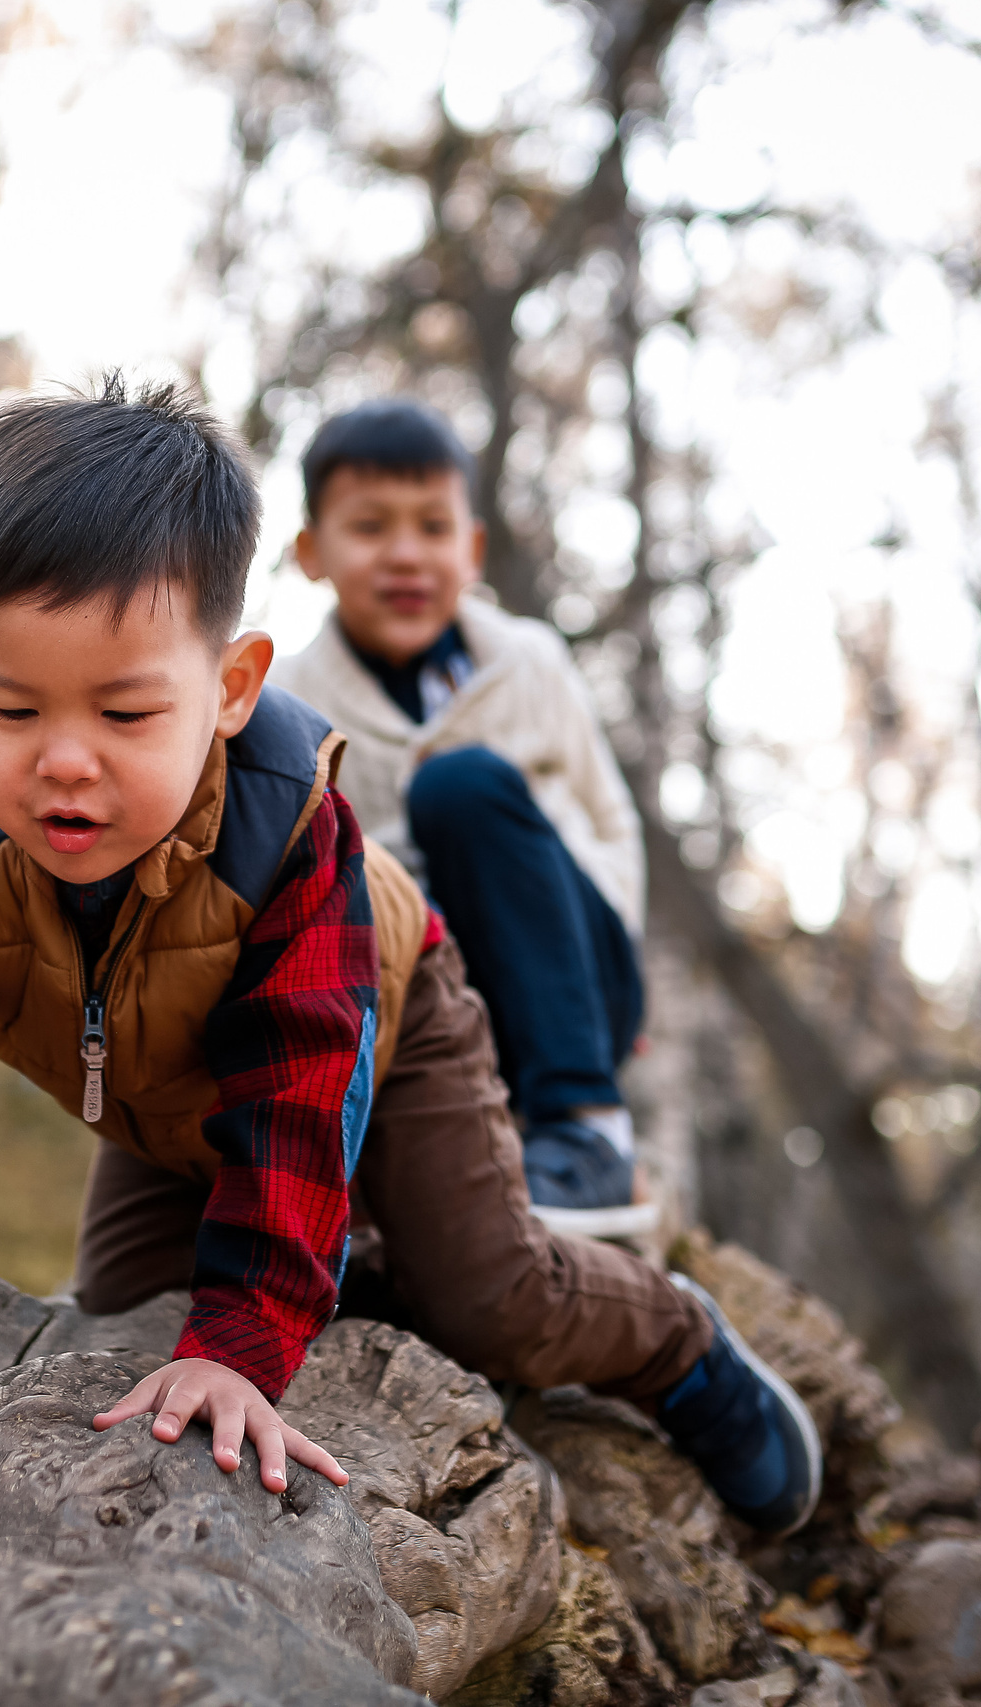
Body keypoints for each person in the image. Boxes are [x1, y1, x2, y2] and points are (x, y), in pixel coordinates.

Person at [0, 376, 820, 1565]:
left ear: (230, 689)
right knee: (119, 1324)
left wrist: (242, 1340)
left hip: (384, 1026)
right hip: (164, 1095)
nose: (65, 763)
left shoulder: (285, 828)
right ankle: (350, 1262)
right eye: (13, 709)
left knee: (486, 1298)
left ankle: (682, 1347)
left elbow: (301, 1084)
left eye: (124, 715)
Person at [270, 399, 653, 1236]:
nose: (406, 553)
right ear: (311, 553)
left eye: (433, 527)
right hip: (422, 985)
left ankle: (588, 1128)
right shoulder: (292, 699)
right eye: (370, 527)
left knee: (463, 785)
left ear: (472, 549)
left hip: (570, 976)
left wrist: (610, 954)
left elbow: (609, 821)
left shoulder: (530, 663)